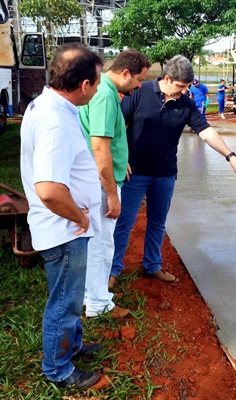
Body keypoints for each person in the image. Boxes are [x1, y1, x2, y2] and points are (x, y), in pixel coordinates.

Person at [110, 55, 236, 285]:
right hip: (134, 172)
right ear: (167, 78)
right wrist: (120, 156)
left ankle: (152, 265)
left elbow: (205, 131)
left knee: (157, 222)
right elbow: (117, 125)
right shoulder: (139, 91)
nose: (184, 92)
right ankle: (112, 269)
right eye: (181, 86)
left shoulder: (185, 103)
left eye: (187, 87)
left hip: (165, 173)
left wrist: (230, 155)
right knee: (124, 221)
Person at [20, 43, 103, 390]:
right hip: (64, 229)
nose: (97, 89)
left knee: (68, 294)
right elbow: (50, 190)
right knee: (65, 302)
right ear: (83, 84)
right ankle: (58, 368)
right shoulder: (55, 120)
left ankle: (74, 344)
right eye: (96, 83)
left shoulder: (50, 106)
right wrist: (80, 218)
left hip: (63, 226)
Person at [78, 49, 151, 317]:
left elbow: (106, 143)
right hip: (99, 182)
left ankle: (92, 293)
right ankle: (98, 304)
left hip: (98, 175)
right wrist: (112, 193)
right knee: (101, 243)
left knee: (97, 241)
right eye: (139, 79)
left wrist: (121, 160)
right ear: (124, 73)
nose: (140, 85)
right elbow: (99, 147)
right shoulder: (106, 96)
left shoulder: (104, 91)